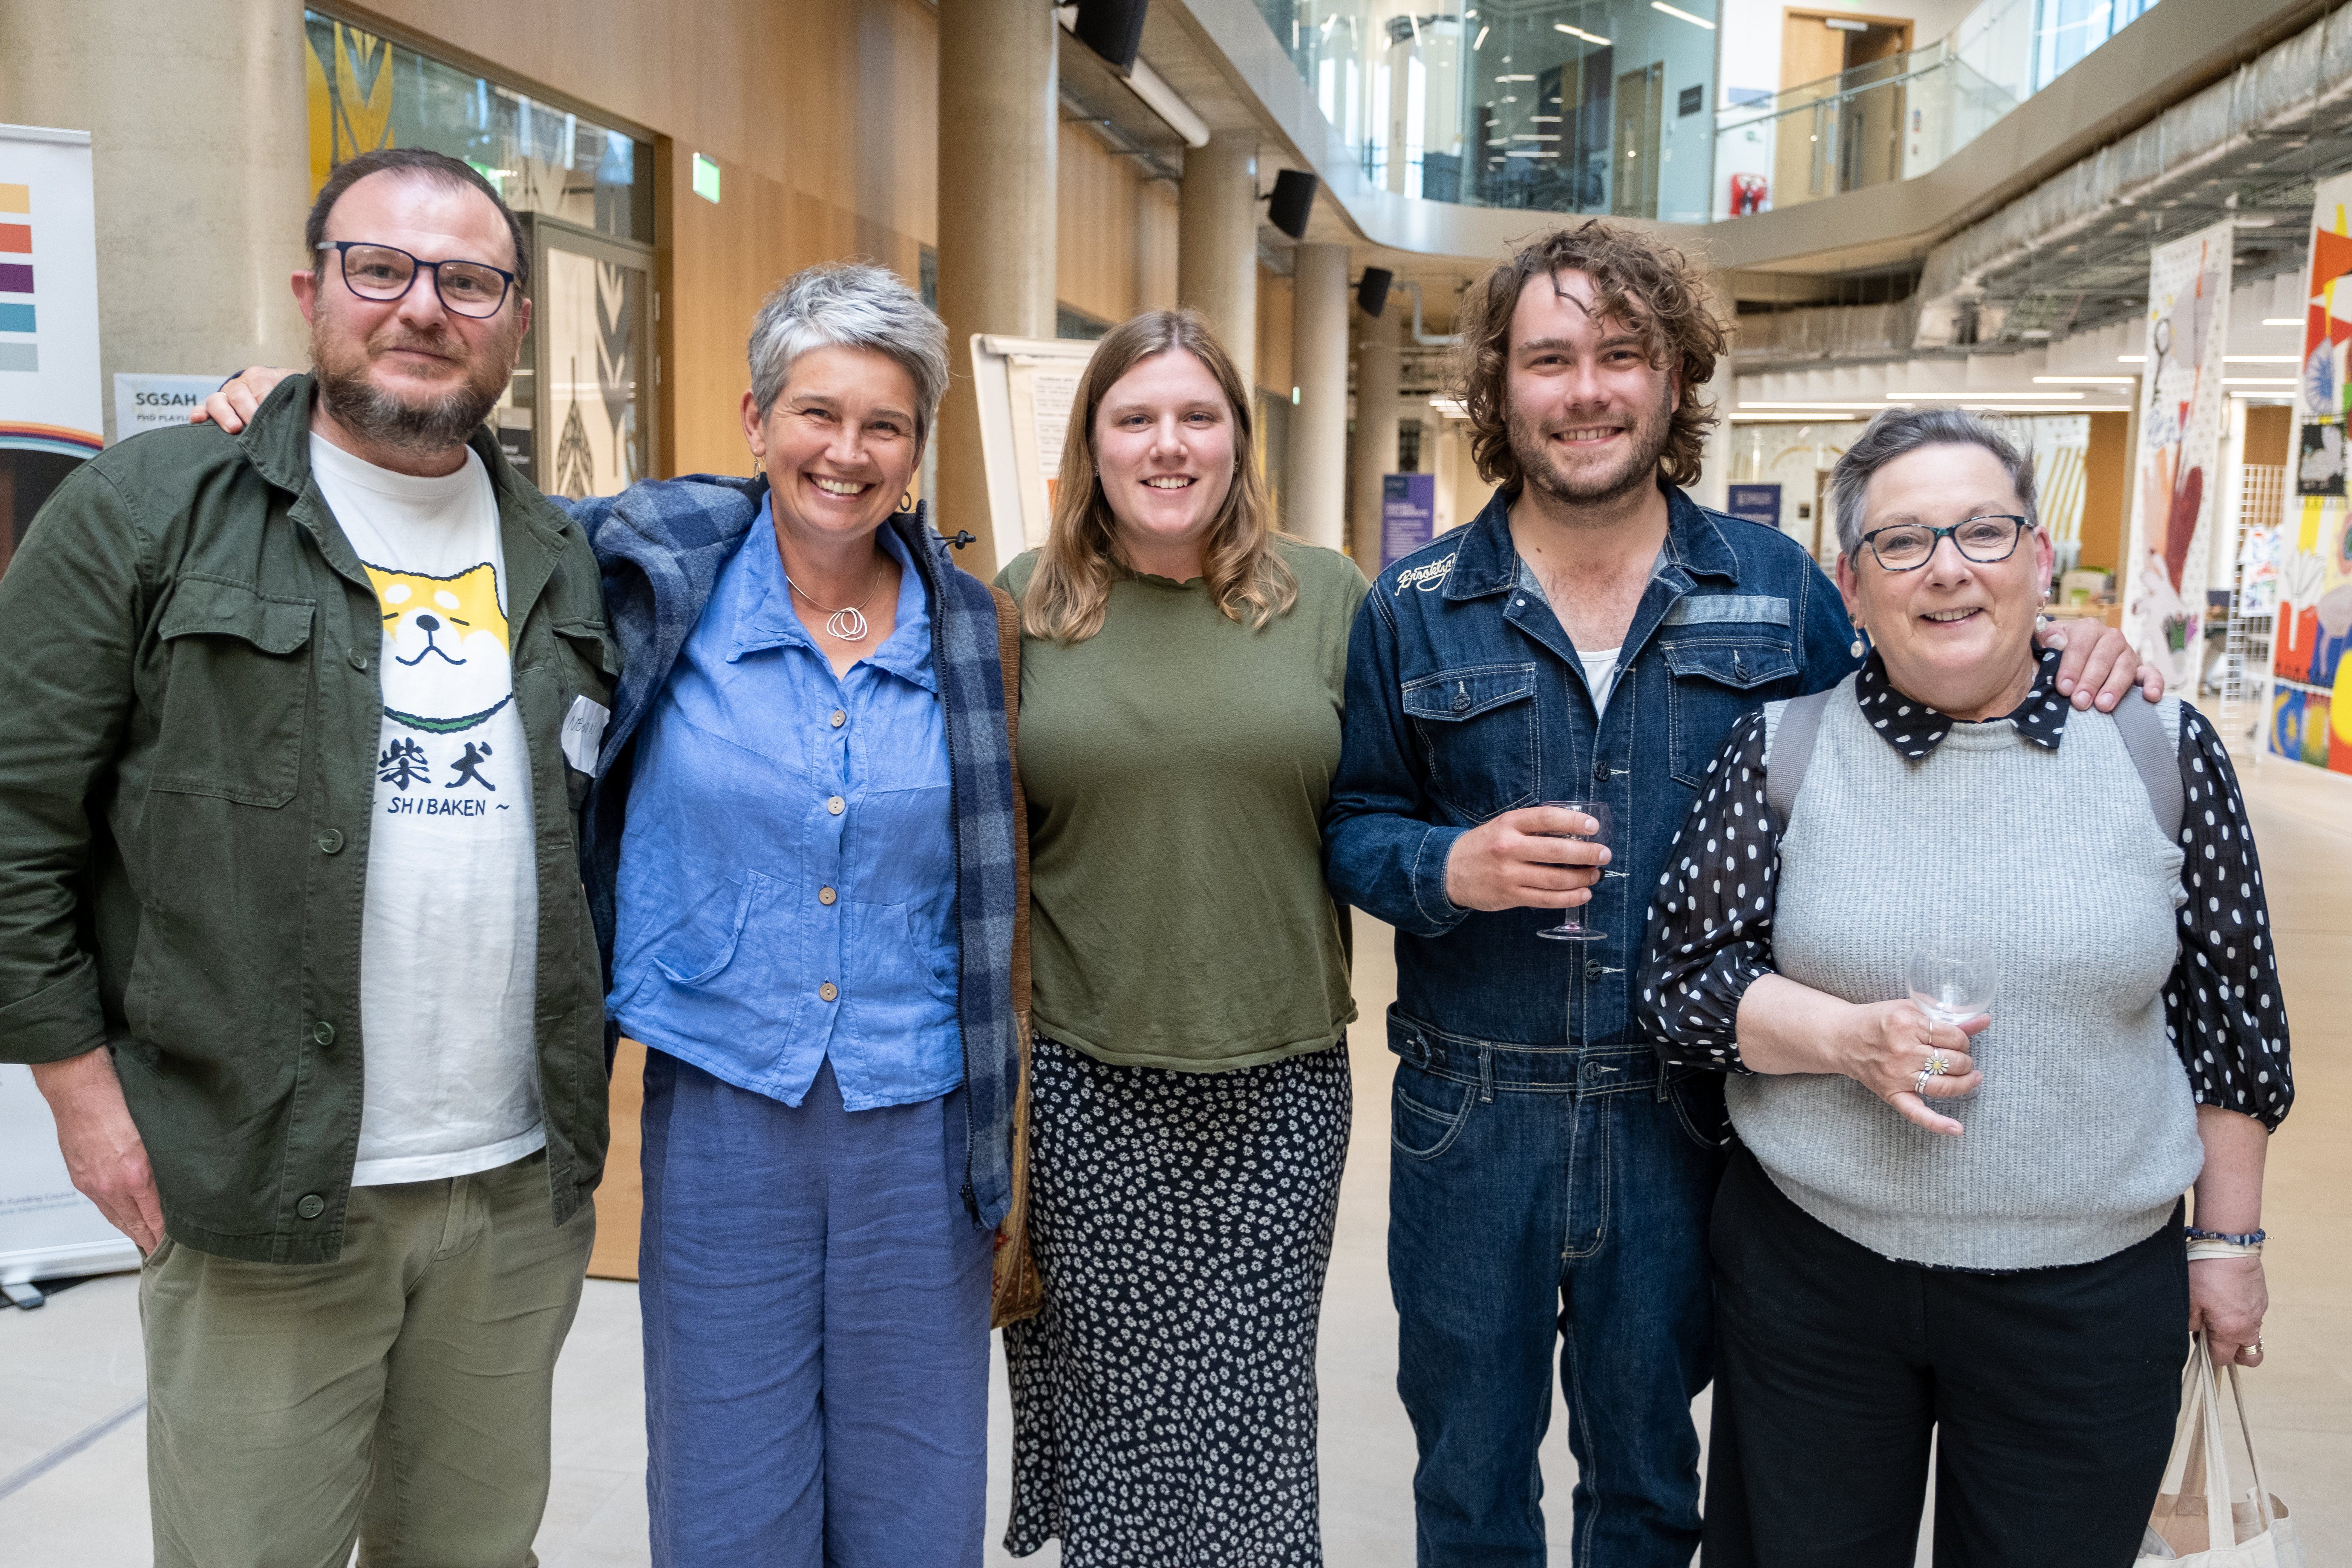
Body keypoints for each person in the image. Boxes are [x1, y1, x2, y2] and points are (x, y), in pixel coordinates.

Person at [1319, 219, 2160, 1567]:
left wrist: (2054, 642)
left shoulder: (1774, 593)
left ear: (1672, 381)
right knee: (1467, 1486)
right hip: (1471, 1117)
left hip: (1692, 1116)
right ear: (1500, 389)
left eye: (1620, 354)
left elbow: (1919, 702)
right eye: (1548, 359)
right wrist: (1444, 867)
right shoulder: (1413, 605)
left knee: (1654, 1482)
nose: (1585, 388)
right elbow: (1354, 823)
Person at [194, 264, 1029, 1566]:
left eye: (886, 425)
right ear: (756, 421)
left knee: (918, 1500)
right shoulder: (649, 566)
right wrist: (295, 411)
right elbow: (445, 496)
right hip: (719, 1108)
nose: (847, 453)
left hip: (919, 1124)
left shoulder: (975, 629)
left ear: (919, 447)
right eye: (817, 413)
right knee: (728, 1491)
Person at [0, 148, 611, 1563]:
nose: (424, 307)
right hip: (258, 1181)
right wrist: (84, 1099)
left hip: (514, 1188)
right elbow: (17, 820)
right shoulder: (153, 510)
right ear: (311, 291)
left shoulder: (564, 554)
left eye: (470, 281)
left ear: (515, 321)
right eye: (381, 268)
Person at [1638, 406, 2288, 1568]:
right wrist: (1846, 1039)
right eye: (1903, 541)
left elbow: (2231, 1021)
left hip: (2086, 1303)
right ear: (1851, 583)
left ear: (2039, 559)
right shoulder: (1784, 752)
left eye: (1984, 532)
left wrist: (2227, 1244)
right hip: (1814, 1284)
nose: (1947, 568)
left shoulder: (2161, 750)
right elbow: (1684, 985)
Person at [995, 308, 1366, 1566]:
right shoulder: (1020, 607)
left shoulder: (1326, 599)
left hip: (1280, 1080)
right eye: (1135, 418)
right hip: (1088, 1079)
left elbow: (1384, 816)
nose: (1168, 445)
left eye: (1197, 416)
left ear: (1238, 441)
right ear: (1091, 445)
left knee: (1253, 1414)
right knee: (1114, 1415)